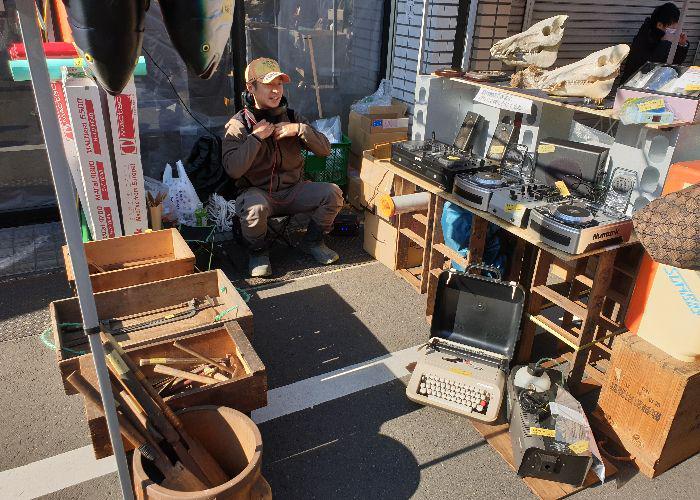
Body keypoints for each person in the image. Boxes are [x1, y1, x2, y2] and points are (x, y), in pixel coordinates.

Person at [222, 58, 343, 277]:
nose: (276, 90)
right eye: (268, 84)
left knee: (332, 193)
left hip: (294, 190)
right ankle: (258, 253)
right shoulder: (238, 124)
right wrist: (255, 138)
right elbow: (233, 170)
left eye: (279, 84)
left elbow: (326, 150)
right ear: (251, 88)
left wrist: (300, 129)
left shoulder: (293, 117)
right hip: (258, 194)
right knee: (254, 208)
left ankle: (313, 242)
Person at [620, 2, 690, 84]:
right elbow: (647, 65)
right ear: (660, 25)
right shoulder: (645, 36)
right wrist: (664, 41)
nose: (675, 31)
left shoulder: (666, 37)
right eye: (672, 27)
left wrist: (682, 45)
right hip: (631, 86)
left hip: (652, 85)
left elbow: (675, 63)